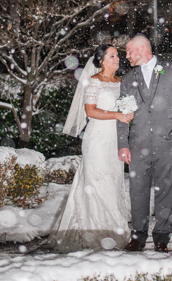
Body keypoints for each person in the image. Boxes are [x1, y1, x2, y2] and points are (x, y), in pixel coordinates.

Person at [49, 44, 134, 252]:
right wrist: (116, 114)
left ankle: (114, 231)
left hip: (115, 140)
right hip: (97, 139)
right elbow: (91, 111)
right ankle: (94, 232)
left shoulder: (122, 82)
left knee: (112, 183)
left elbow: (126, 109)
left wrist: (130, 115)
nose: (117, 59)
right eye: (112, 56)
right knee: (95, 181)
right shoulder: (94, 82)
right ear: (101, 61)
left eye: (117, 55)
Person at [118, 34, 172, 253]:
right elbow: (123, 114)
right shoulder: (128, 78)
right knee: (137, 193)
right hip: (137, 146)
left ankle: (162, 237)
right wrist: (123, 144)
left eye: (130, 51)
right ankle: (138, 237)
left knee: (166, 192)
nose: (128, 56)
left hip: (169, 144)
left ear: (142, 49)